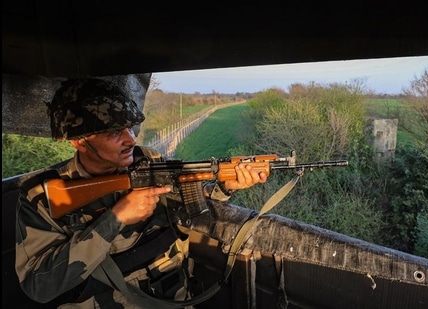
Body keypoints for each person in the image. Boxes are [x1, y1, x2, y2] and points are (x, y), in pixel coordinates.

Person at [14, 78, 267, 308]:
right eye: (115, 132)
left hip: (173, 297)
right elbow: (39, 286)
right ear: (79, 141)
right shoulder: (42, 196)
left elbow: (189, 201)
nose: (131, 139)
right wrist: (116, 219)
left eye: (130, 128)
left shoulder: (148, 159)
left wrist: (226, 186)